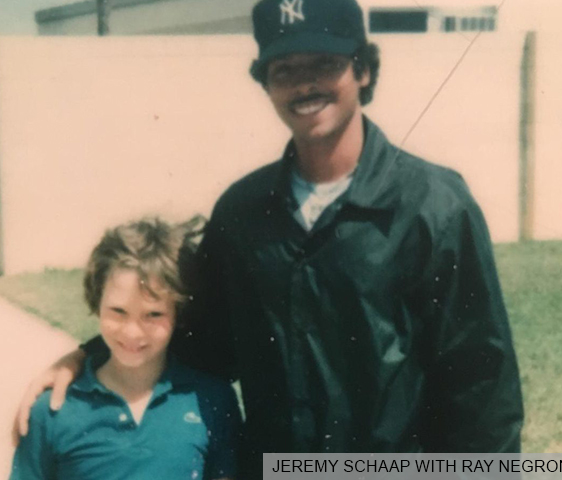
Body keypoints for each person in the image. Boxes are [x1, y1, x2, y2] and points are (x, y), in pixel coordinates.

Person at [15, 0, 523, 476]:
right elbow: (196, 338)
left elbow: (482, 386)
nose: (305, 85)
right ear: (265, 83)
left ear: (363, 69)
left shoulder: (432, 205)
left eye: (323, 64)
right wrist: (86, 356)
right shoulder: (242, 212)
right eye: (285, 71)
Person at [11, 218, 240, 480]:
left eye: (153, 314)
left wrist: (292, 468)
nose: (133, 332)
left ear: (178, 313)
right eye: (118, 311)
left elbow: (273, 469)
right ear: (96, 302)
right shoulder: (52, 411)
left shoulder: (212, 400)